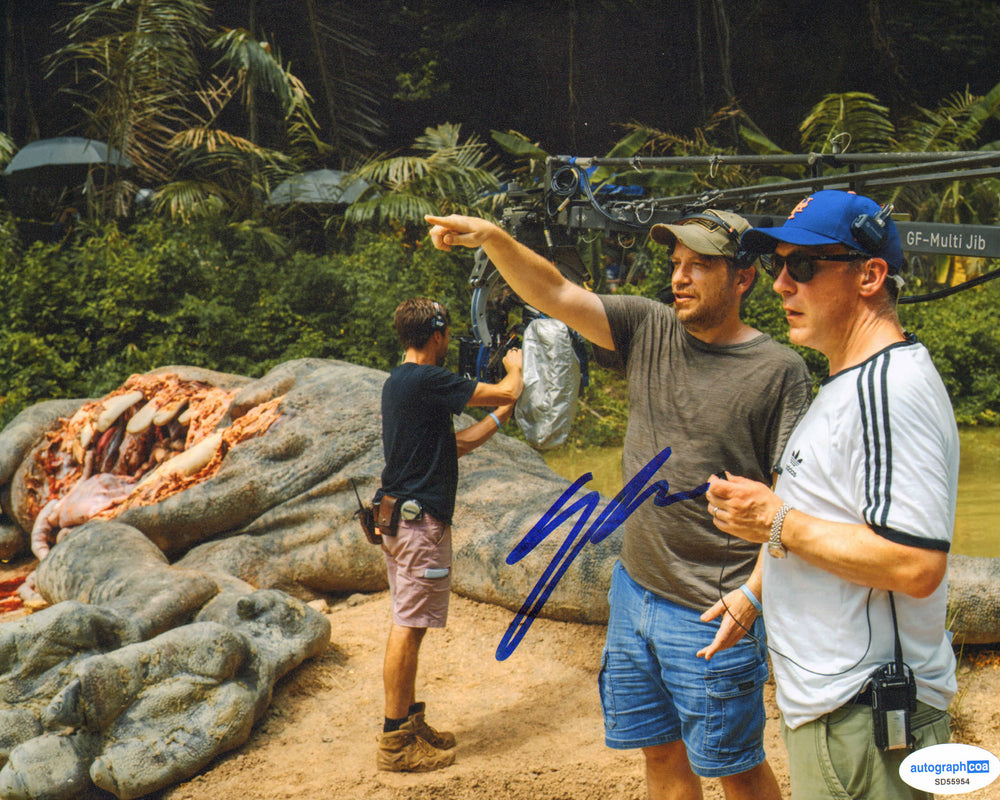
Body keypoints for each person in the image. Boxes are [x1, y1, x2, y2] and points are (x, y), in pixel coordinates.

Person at [426, 210, 812, 800]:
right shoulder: (648, 326)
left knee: (735, 768)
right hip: (634, 593)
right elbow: (554, 291)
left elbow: (792, 501)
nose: (681, 278)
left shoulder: (779, 371)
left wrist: (754, 596)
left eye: (701, 266)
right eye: (676, 265)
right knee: (659, 754)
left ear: (744, 279)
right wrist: (497, 240)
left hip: (713, 610)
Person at [705, 190, 958, 800]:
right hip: (839, 713)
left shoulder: (889, 394)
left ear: (870, 275)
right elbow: (833, 514)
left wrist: (774, 519)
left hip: (869, 720)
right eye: (778, 265)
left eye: (806, 267)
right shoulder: (848, 383)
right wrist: (756, 592)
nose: (781, 285)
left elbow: (916, 565)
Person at [377, 297, 524, 773]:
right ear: (437, 335)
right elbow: (505, 389)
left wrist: (503, 415)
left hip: (400, 520)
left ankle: (407, 722)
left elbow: (457, 444)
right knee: (408, 625)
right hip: (420, 526)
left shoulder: (402, 383)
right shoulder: (427, 379)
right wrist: (515, 367)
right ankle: (394, 742)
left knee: (409, 624)